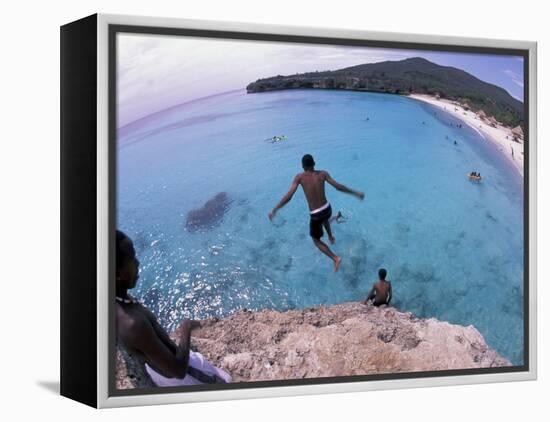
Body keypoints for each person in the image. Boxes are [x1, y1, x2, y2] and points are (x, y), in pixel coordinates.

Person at [115, 230, 231, 386]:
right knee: (222, 382)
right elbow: (178, 370)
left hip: (157, 368)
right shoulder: (133, 323)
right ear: (117, 273)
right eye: (132, 258)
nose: (137, 263)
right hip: (178, 376)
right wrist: (186, 328)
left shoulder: (116, 301)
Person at [268, 154, 364, 272]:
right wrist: (355, 193)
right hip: (327, 209)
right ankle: (330, 236)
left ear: (302, 166)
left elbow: (289, 196)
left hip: (316, 214)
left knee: (316, 241)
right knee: (325, 219)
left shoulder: (299, 177)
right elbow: (338, 187)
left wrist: (275, 208)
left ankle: (335, 258)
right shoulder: (323, 174)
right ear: (314, 163)